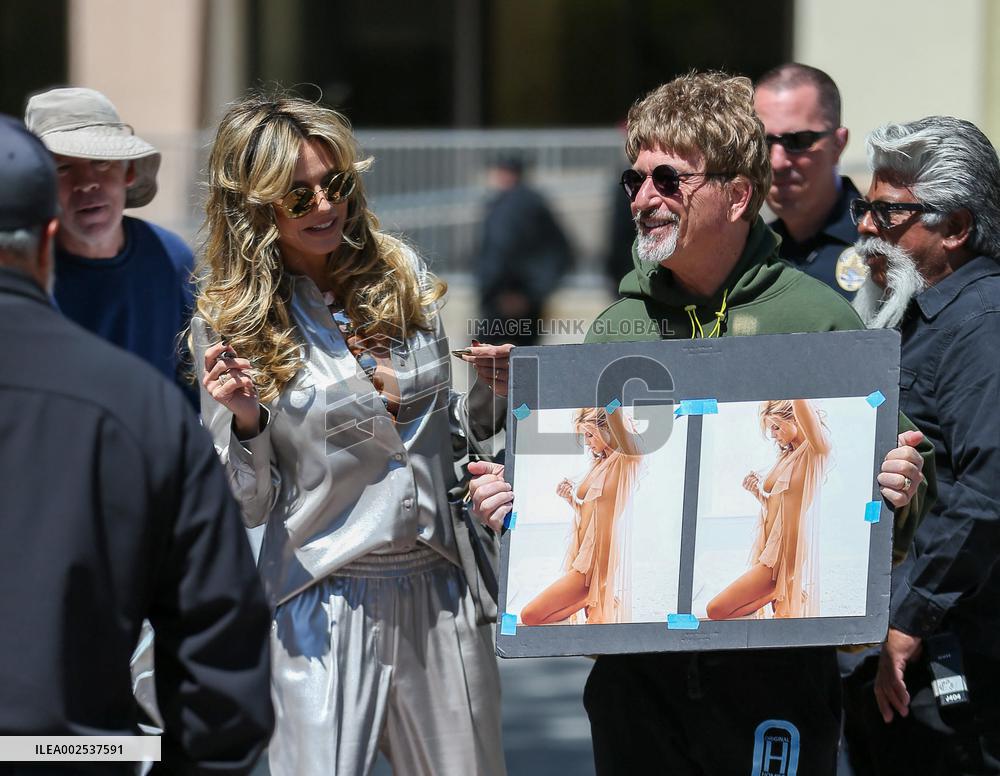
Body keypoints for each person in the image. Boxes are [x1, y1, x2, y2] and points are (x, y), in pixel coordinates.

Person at [469, 71, 933, 776]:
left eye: (667, 179)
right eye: (634, 180)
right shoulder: (614, 330)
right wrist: (512, 506)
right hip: (635, 687)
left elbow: (895, 518)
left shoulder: (817, 321)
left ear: (739, 194)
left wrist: (903, 488)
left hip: (777, 682)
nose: (643, 197)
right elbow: (579, 510)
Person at [191, 90, 509, 776]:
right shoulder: (232, 323)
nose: (326, 205)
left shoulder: (400, 275)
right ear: (256, 207)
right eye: (298, 195)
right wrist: (246, 421)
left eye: (334, 183)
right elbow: (243, 503)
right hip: (319, 597)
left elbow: (453, 434)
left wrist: (495, 395)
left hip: (441, 583)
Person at [0, 115, 273, 773]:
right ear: (48, 241)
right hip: (68, 752)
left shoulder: (171, 267)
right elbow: (217, 646)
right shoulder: (140, 406)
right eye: (69, 171)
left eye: (104, 169)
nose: (92, 186)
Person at [842, 116, 1000, 774]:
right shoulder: (903, 312)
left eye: (888, 212)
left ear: (956, 228)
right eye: (862, 206)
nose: (865, 229)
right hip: (894, 658)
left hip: (948, 663)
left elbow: (986, 493)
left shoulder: (982, 320)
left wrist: (909, 621)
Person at [24, 87, 196, 402]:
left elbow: (195, 388)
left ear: (128, 171)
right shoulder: (21, 271)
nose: (86, 182)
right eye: (63, 168)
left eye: (101, 161)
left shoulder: (171, 257)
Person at [707, 399, 830, 621]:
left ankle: (778, 590)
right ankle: (780, 591)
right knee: (778, 621)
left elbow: (799, 400)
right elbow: (782, 506)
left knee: (715, 610)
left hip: (785, 550)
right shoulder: (786, 455)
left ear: (796, 419)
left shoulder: (814, 449)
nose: (773, 435)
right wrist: (758, 494)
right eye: (769, 429)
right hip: (770, 544)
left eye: (775, 426)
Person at [521, 406, 644, 626]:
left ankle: (595, 596)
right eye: (583, 436)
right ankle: (596, 598)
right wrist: (571, 500)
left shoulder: (626, 457)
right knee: (585, 624)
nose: (587, 442)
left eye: (589, 435)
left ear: (610, 429)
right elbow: (594, 513)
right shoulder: (599, 464)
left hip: (598, 557)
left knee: (530, 615)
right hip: (583, 551)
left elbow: (613, 408)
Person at [755, 63, 867, 298]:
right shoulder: (747, 252)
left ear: (838, 144)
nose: (777, 162)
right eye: (762, 143)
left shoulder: (881, 247)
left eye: (799, 141)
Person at [475, 155, 573, 346]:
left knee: (488, 355)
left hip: (509, 296)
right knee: (524, 356)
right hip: (521, 294)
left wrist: (512, 291)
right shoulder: (529, 202)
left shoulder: (514, 205)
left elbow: (504, 249)